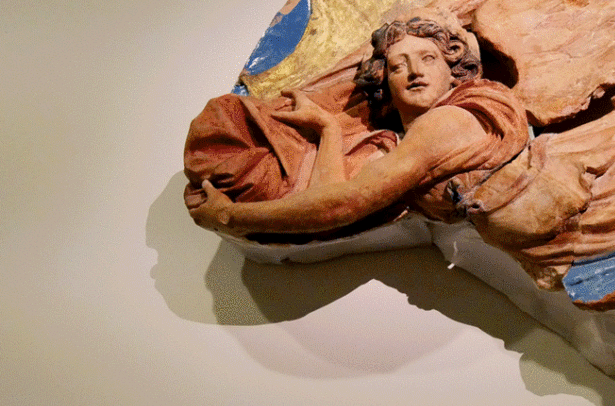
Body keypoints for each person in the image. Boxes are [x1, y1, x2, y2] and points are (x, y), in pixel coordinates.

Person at [187, 13, 529, 238]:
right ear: (386, 88)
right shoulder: (396, 145)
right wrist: (328, 128)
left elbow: (341, 206)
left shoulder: (449, 121)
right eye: (398, 66)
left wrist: (231, 217)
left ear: (453, 71)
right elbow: (328, 197)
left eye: (428, 59)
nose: (414, 72)